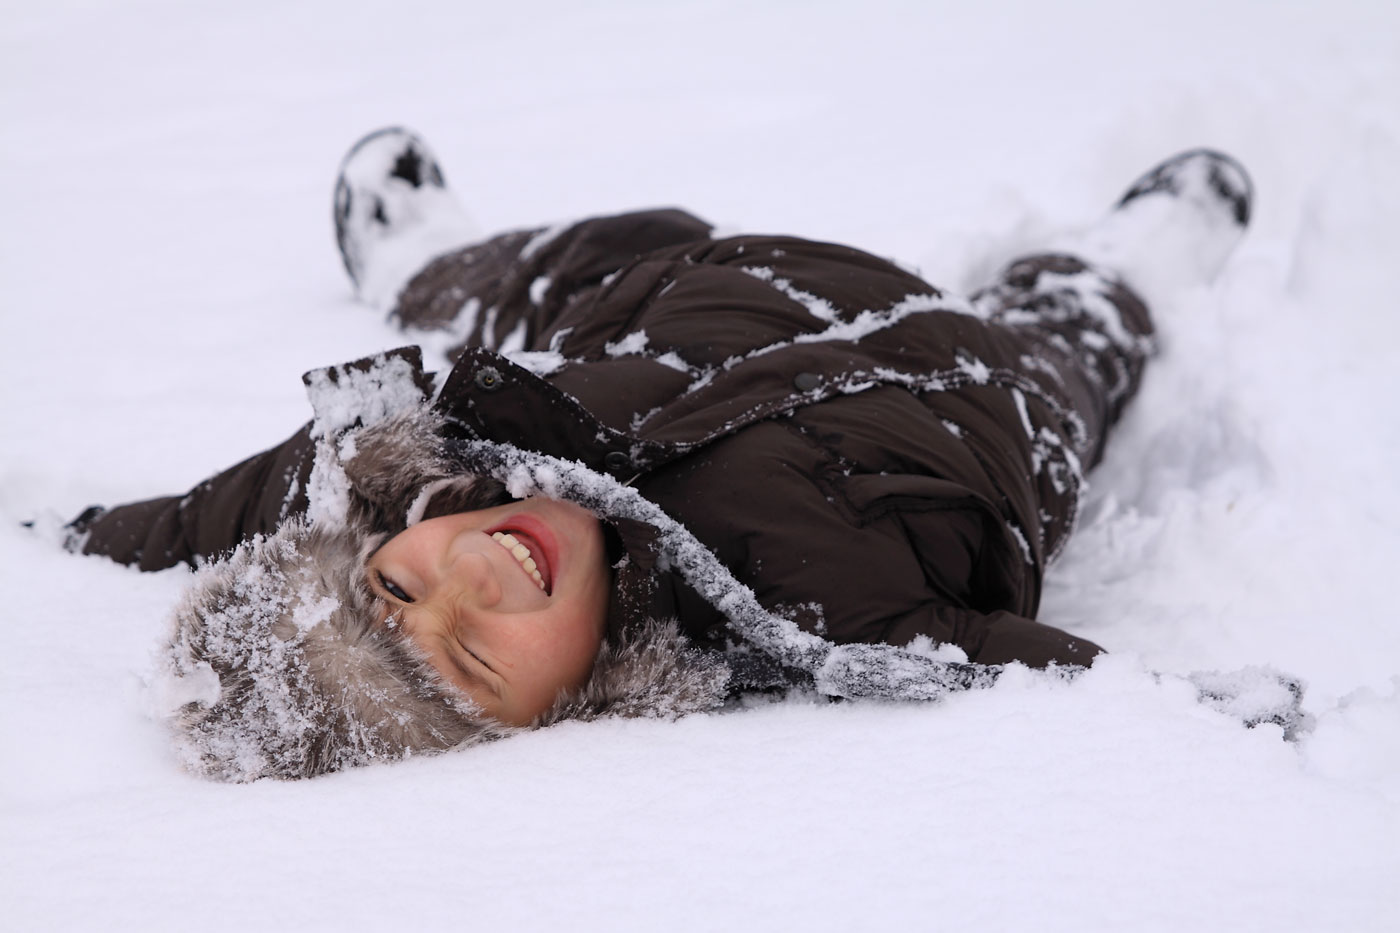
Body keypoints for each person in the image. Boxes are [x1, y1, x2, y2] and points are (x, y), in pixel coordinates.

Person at [63, 131, 1257, 780]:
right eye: (475, 659)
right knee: (1076, 342)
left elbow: (250, 498)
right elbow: (1078, 689)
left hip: (703, 290)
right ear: (552, 714)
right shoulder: (812, 620)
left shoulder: (463, 443)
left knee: (544, 276)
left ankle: (423, 261)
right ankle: (1139, 257)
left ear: (371, 543)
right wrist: (1254, 722)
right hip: (996, 408)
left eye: (396, 585)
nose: (471, 579)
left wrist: (95, 538)